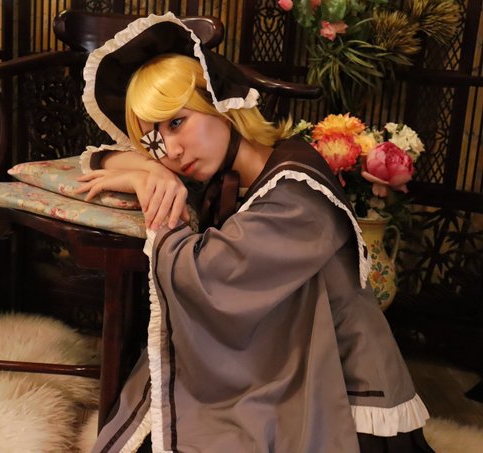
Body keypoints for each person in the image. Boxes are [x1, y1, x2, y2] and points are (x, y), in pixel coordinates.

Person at [76, 12, 434, 453]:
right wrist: (152, 173)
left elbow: (211, 276)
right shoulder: (231, 174)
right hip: (290, 364)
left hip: (343, 393)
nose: (172, 151)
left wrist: (163, 215)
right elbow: (99, 158)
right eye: (154, 142)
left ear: (220, 103)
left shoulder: (296, 192)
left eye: (176, 122)